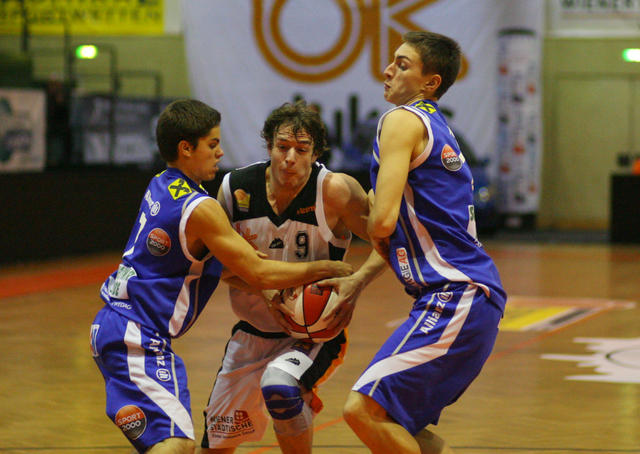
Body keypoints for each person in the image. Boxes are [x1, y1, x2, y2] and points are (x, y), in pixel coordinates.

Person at [89, 99, 354, 454]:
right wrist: (327, 268)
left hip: (118, 325)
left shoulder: (161, 184)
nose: (220, 152)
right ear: (186, 148)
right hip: (137, 334)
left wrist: (267, 288)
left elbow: (229, 267)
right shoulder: (203, 207)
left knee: (179, 444)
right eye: (212, 144)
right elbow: (258, 270)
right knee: (175, 446)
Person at [342, 31, 507, 454]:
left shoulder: (401, 120)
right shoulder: (437, 125)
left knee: (362, 410)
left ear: (430, 82)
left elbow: (382, 222)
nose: (387, 71)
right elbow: (404, 229)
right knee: (399, 425)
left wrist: (348, 204)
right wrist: (358, 280)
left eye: (402, 64)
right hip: (467, 296)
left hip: (456, 295)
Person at [199, 101, 386, 454]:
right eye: (282, 147)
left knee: (280, 387)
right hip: (250, 333)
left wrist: (358, 280)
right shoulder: (235, 188)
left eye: (301, 150)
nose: (290, 158)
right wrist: (266, 288)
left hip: (313, 336)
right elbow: (216, 264)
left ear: (315, 153)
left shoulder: (334, 190)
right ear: (269, 145)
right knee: (214, 447)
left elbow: (392, 240)